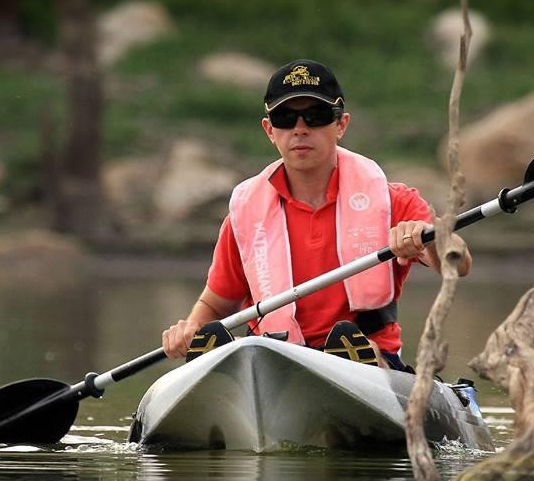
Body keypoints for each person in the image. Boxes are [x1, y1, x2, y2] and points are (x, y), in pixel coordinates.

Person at [161, 59, 471, 370]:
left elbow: (457, 263)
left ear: (341, 124)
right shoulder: (245, 214)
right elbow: (215, 304)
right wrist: (191, 328)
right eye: (285, 118)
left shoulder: (392, 201)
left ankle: (347, 365)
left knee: (356, 348)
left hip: (368, 359)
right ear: (270, 130)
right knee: (230, 347)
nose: (300, 129)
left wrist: (427, 239)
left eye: (316, 116)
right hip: (274, 361)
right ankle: (225, 372)